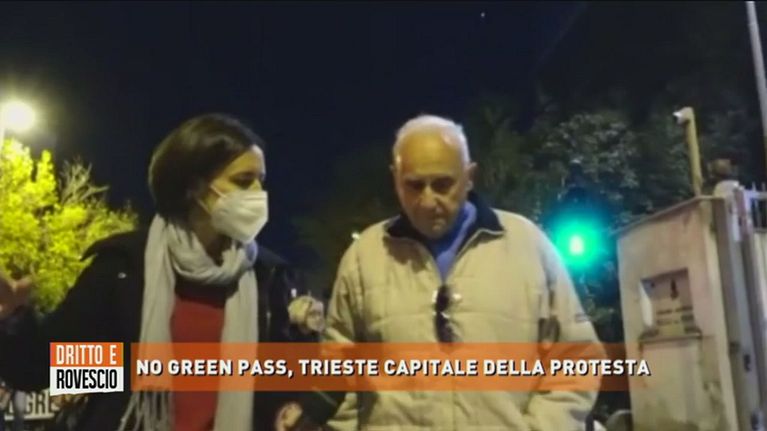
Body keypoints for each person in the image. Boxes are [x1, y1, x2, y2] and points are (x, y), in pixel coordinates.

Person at [0, 113, 321, 431]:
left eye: (260, 180)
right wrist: (12, 319)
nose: (258, 193)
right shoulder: (125, 267)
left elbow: (290, 381)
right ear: (194, 186)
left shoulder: (269, 277)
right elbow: (45, 371)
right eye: (243, 180)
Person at [285, 114, 603, 430]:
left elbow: (577, 358)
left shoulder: (527, 245)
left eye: (442, 184)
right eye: (414, 185)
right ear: (395, 178)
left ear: (469, 177)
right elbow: (339, 368)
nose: (427, 201)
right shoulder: (364, 257)